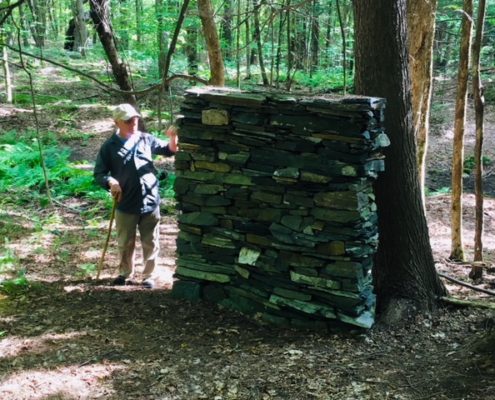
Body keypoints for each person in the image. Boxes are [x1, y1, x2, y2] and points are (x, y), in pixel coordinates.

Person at [94, 103, 178, 288]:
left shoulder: (146, 139)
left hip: (150, 200)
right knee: (125, 242)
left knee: (151, 241)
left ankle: (149, 275)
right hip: (125, 202)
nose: (133, 122)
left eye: (135, 119)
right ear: (117, 122)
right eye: (128, 120)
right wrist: (111, 182)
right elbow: (99, 174)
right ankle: (125, 273)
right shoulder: (109, 146)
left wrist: (173, 137)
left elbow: (169, 150)